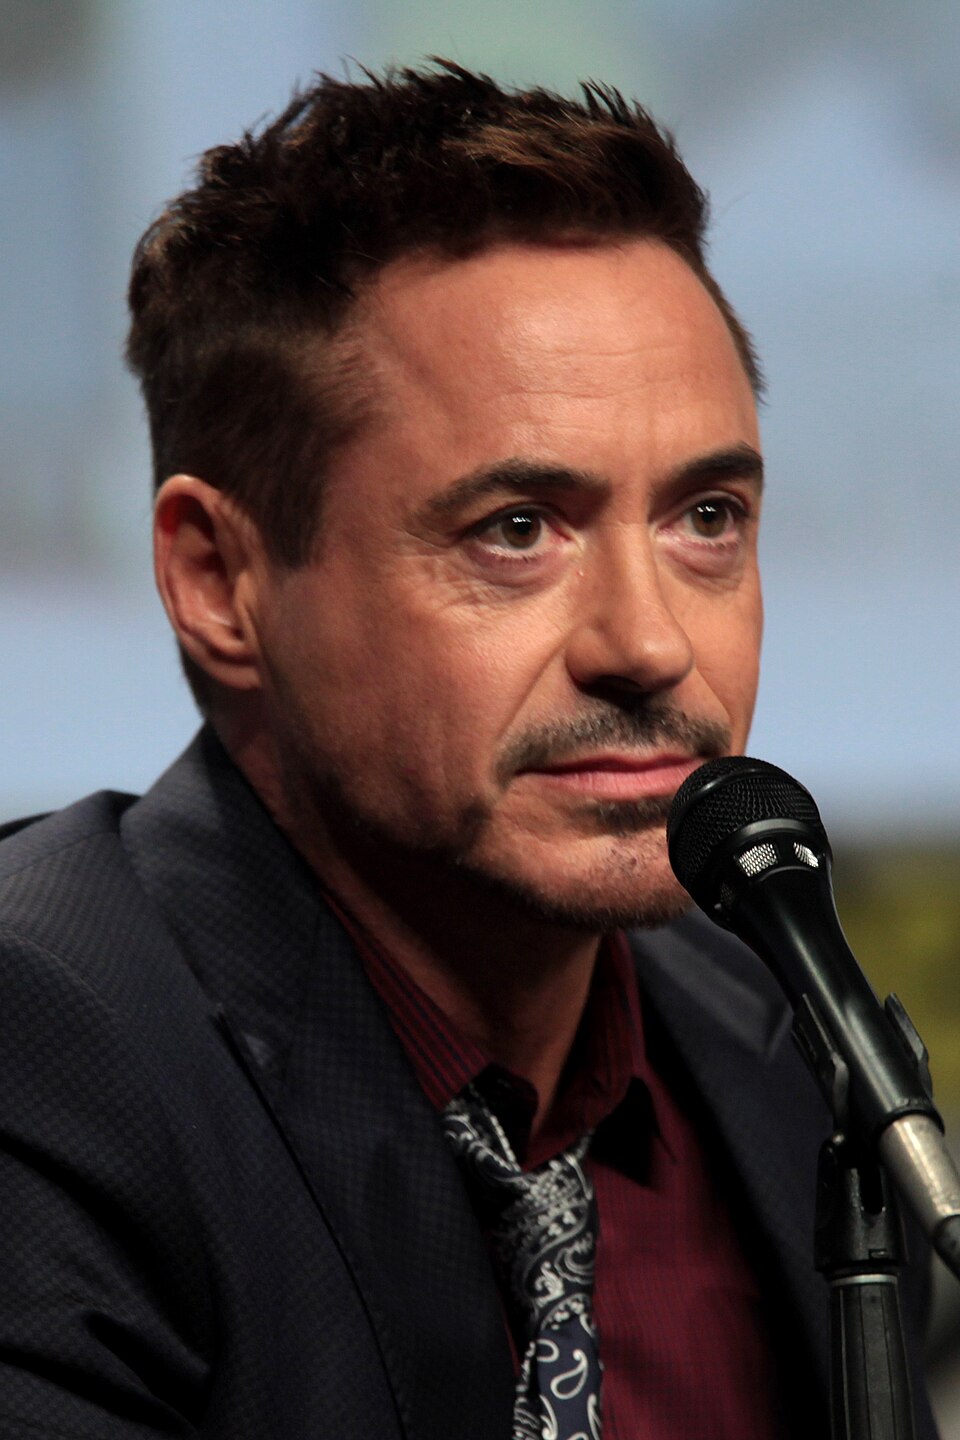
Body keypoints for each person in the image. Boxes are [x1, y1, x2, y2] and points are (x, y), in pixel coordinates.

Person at [0, 61, 938, 1439]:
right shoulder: (44, 1052)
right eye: (516, 529)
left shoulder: (782, 1053)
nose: (650, 643)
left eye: (707, 519)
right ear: (219, 581)